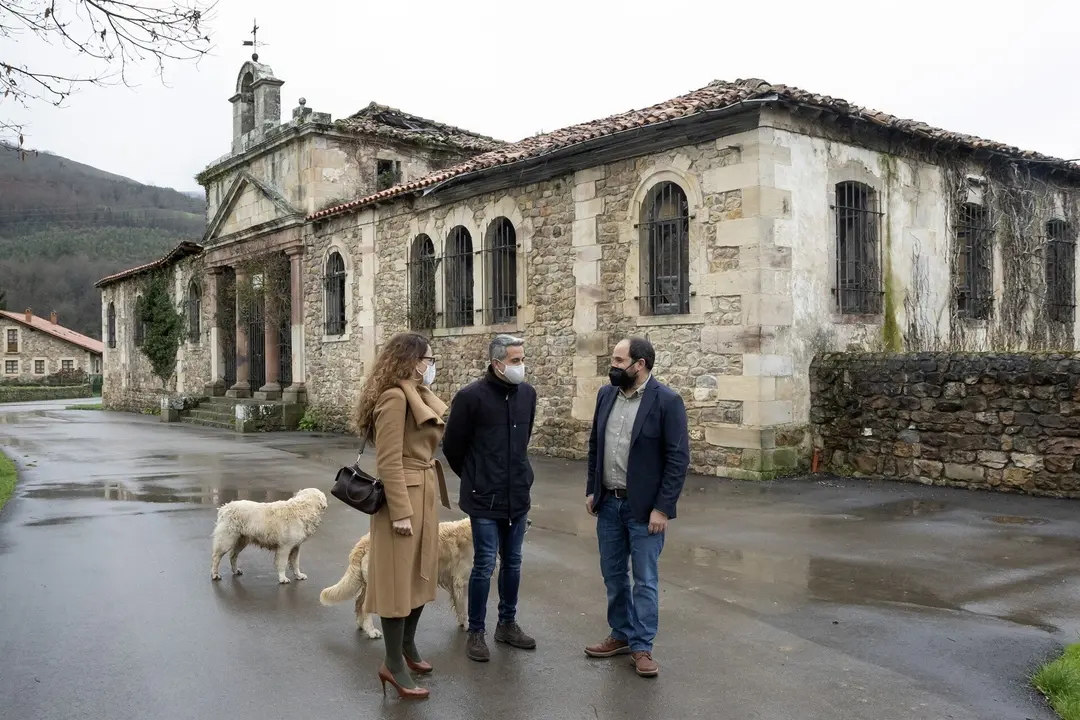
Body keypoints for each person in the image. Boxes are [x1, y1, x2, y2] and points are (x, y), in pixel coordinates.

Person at [583, 336, 689, 678]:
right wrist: (592, 489)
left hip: (644, 510)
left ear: (639, 364)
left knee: (644, 581)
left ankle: (642, 646)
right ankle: (621, 634)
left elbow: (677, 459)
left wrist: (663, 508)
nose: (612, 366)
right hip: (608, 504)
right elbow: (595, 445)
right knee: (613, 575)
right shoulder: (606, 395)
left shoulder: (667, 401)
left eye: (618, 360)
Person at [354, 332, 450, 700]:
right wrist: (399, 512)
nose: (431, 365)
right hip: (403, 503)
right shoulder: (394, 398)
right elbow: (388, 460)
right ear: (410, 360)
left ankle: (407, 646)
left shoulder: (418, 394)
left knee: (419, 574)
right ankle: (392, 664)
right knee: (397, 582)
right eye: (428, 359)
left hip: (424, 493)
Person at [443, 334, 538, 663]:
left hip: (517, 495)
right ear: (497, 364)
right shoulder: (470, 398)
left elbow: (523, 440)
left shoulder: (528, 394)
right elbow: (453, 446)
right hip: (484, 497)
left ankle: (507, 624)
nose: (521, 365)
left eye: (522, 359)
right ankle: (476, 631)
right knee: (484, 564)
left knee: (513, 562)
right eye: (515, 360)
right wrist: (476, 477)